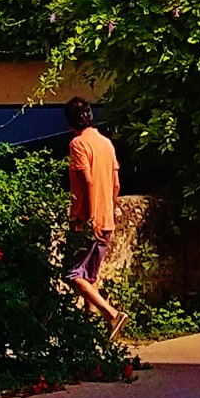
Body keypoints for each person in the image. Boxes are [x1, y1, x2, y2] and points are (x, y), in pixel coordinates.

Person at [63, 96, 128, 342]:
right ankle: (90, 337)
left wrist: (89, 218)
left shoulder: (78, 145)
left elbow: (87, 181)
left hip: (85, 219)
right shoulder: (106, 144)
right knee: (90, 277)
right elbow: (116, 184)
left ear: (70, 122)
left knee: (72, 274)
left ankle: (111, 314)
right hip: (107, 219)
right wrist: (106, 211)